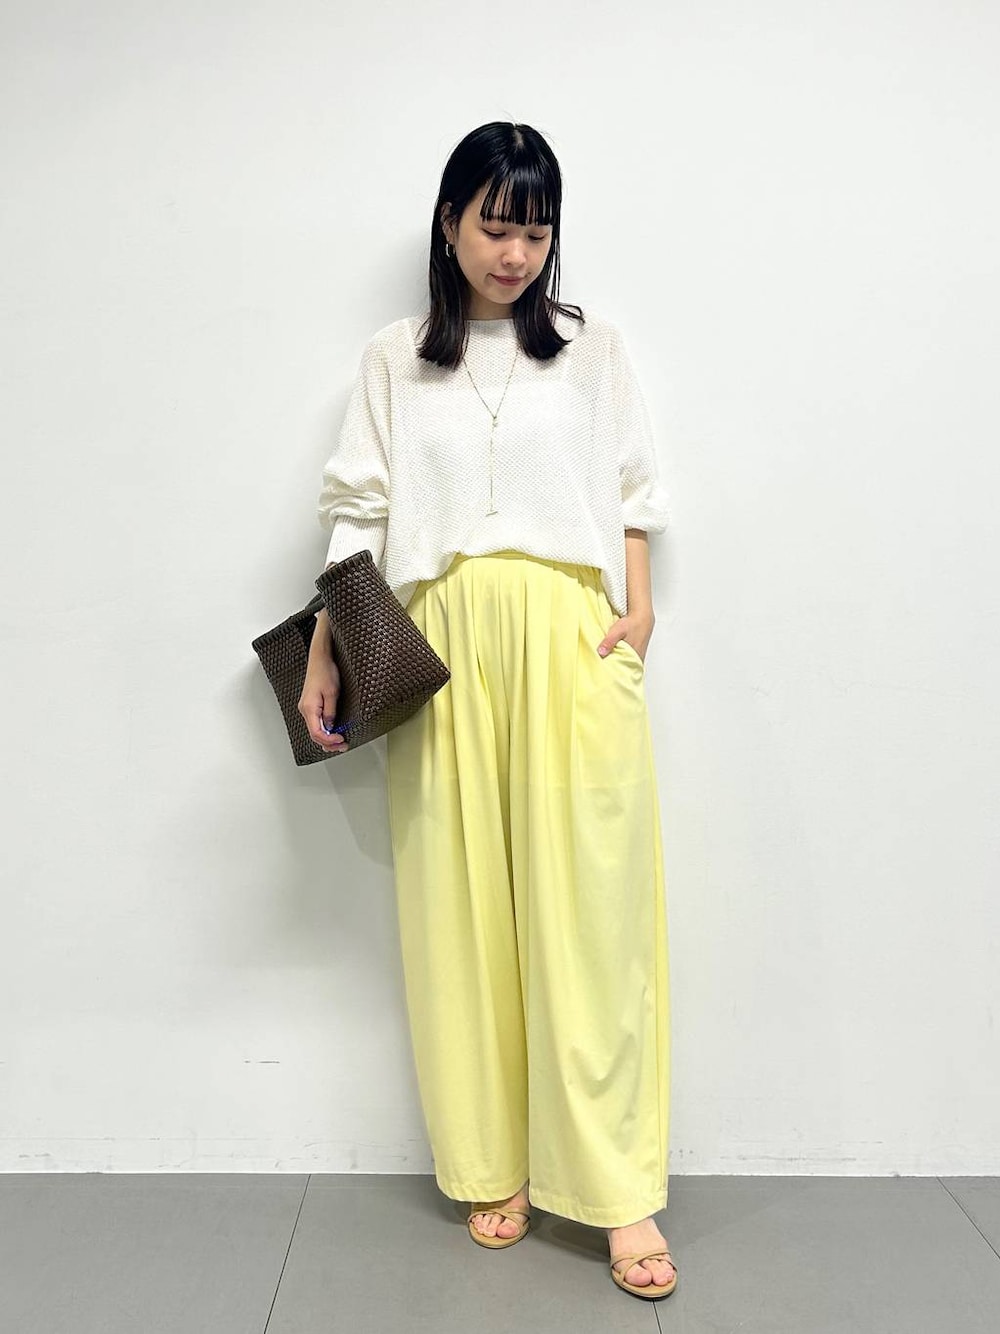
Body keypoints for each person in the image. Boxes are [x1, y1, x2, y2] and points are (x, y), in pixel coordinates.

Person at [298, 121, 678, 1302]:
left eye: (535, 230)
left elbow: (635, 490)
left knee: (592, 919)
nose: (516, 253)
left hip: (569, 636)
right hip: (440, 641)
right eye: (495, 225)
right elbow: (356, 511)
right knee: (457, 910)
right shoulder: (394, 358)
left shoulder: (593, 348)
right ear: (449, 222)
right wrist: (327, 651)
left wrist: (637, 612)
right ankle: (489, 1158)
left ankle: (618, 1189)